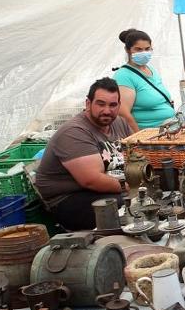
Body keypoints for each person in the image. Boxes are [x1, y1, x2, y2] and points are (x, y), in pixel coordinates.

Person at [34, 78, 132, 231]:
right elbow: (92, 180)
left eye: (112, 105)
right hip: (69, 198)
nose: (107, 110)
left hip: (107, 188)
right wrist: (132, 187)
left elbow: (137, 155)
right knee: (125, 204)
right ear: (88, 103)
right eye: (101, 104)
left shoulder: (120, 123)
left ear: (119, 105)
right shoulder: (73, 132)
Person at [114, 29, 176, 131]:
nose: (144, 53)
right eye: (138, 49)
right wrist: (139, 138)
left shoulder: (151, 70)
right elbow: (123, 113)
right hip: (150, 136)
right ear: (128, 50)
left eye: (147, 49)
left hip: (170, 130)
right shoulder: (123, 75)